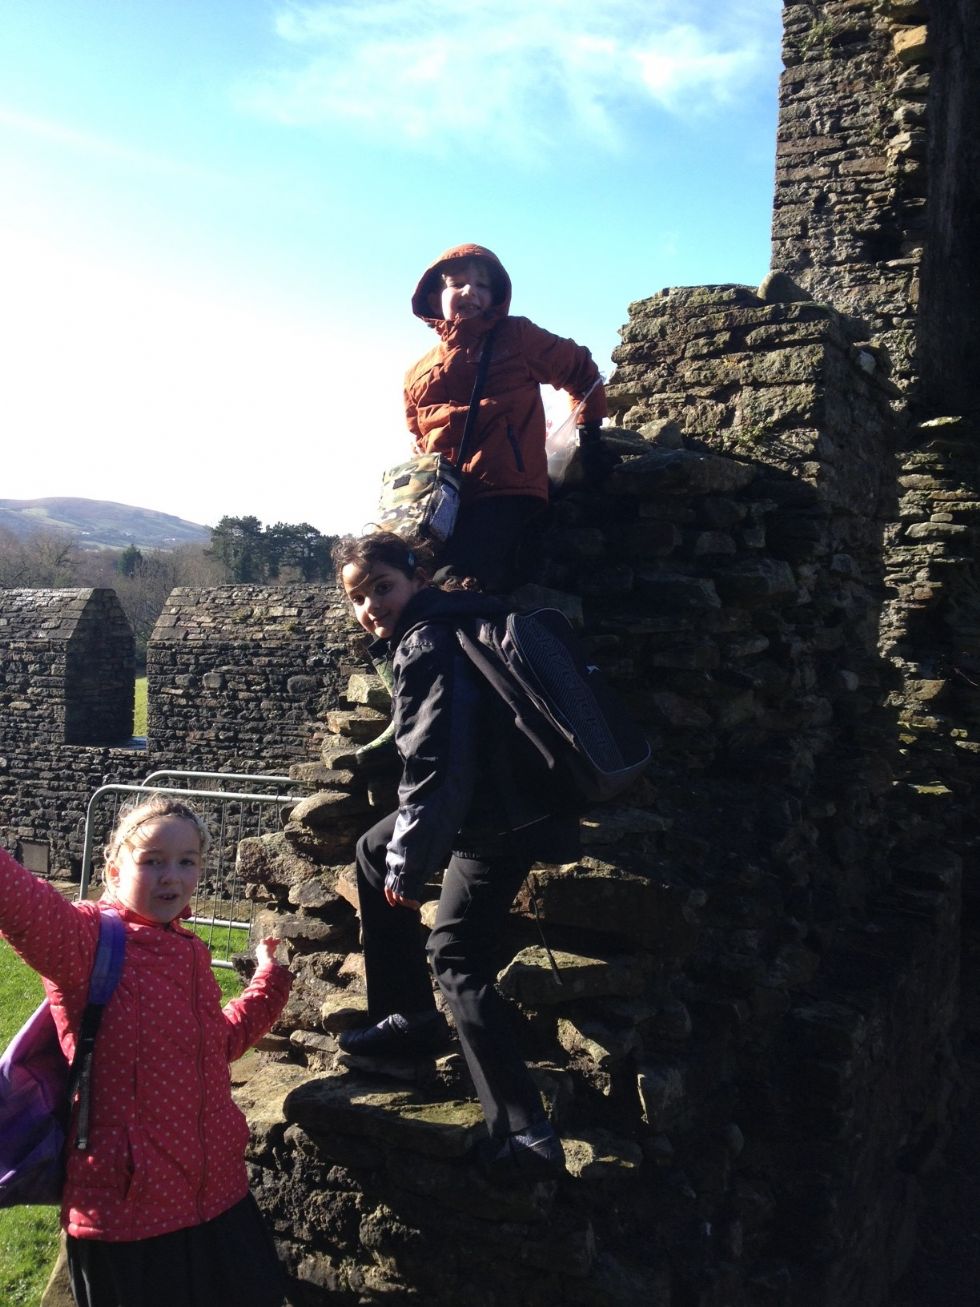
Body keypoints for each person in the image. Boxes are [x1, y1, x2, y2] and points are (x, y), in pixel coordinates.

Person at [333, 531, 579, 1185]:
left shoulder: (424, 642)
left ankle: (524, 1129)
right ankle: (407, 1018)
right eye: (357, 597)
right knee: (368, 846)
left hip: (498, 818)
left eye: (381, 586)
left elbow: (439, 764)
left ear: (415, 576)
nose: (370, 606)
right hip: (515, 797)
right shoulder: (461, 612)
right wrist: (394, 852)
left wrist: (409, 866)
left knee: (455, 955)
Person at [0, 794, 292, 1307]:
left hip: (220, 1198)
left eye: (187, 862)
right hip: (129, 1217)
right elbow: (16, 899)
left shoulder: (189, 951)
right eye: (152, 861)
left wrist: (268, 981)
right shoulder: (85, 941)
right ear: (114, 869)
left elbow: (216, 1046)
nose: (171, 878)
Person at [405, 241, 610, 592]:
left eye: (483, 285)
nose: (470, 291)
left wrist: (590, 435)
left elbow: (581, 371)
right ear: (435, 295)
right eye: (457, 284)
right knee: (410, 576)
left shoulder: (517, 337)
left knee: (456, 580)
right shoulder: (417, 373)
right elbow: (419, 441)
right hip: (443, 502)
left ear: (497, 295)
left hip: (506, 489)